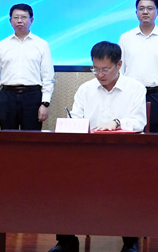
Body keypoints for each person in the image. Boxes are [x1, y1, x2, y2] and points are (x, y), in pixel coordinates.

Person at [50, 41, 146, 252]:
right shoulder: (85, 89)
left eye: (105, 69)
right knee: (61, 180)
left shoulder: (135, 88)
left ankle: (130, 242)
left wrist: (116, 123)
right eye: (95, 69)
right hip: (88, 155)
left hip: (124, 156)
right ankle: (66, 241)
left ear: (119, 65)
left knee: (131, 187)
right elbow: (76, 118)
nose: (100, 75)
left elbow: (139, 122)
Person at [0, 4, 55, 130]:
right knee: (7, 138)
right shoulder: (2, 45)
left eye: (24, 17)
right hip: (7, 97)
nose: (19, 21)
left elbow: (48, 77)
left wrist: (45, 103)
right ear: (10, 21)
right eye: (16, 17)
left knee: (31, 139)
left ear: (31, 20)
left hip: (32, 97)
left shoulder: (41, 44)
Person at [118, 0, 158, 133]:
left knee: (156, 135)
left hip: (156, 94)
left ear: (157, 12)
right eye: (141, 9)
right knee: (130, 132)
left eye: (150, 8)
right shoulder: (126, 38)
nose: (145, 12)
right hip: (131, 94)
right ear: (136, 12)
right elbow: (119, 69)